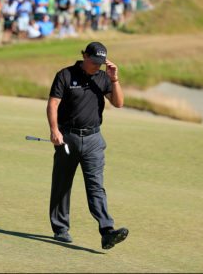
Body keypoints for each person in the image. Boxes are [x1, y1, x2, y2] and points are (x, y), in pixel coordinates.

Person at [46, 41, 128, 250]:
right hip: (68, 138)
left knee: (96, 186)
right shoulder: (65, 75)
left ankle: (107, 231)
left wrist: (115, 79)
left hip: (93, 139)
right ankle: (60, 229)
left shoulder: (103, 77)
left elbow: (118, 103)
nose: (97, 66)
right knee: (62, 184)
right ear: (84, 56)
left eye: (100, 63)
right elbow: (53, 103)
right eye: (94, 62)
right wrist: (55, 130)